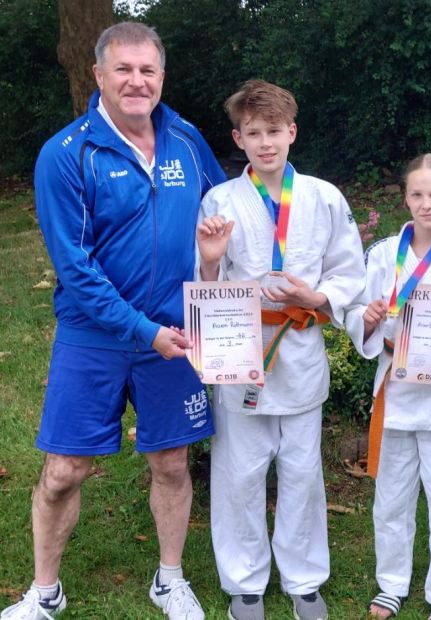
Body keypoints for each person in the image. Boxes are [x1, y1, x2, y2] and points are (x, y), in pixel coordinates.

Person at [1, 22, 227, 620]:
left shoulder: (186, 139)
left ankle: (170, 579)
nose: (136, 81)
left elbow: (230, 209)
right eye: (122, 69)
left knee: (172, 462)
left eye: (147, 70)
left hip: (174, 335)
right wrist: (142, 330)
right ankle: (44, 591)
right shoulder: (67, 153)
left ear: (161, 77)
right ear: (98, 75)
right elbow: (76, 269)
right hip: (95, 337)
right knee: (64, 470)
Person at [196, 79, 366, 620]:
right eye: (253, 133)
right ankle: (245, 583)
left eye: (274, 131)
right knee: (240, 473)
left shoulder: (323, 197)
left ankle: (304, 578)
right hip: (241, 352)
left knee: (301, 471)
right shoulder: (220, 199)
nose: (265, 142)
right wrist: (209, 258)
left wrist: (315, 296)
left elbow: (349, 271)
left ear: (291, 132)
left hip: (299, 345)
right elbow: (205, 286)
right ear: (237, 138)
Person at [344, 154, 431, 620]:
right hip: (396, 392)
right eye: (418, 194)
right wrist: (363, 320)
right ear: (405, 197)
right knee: (391, 500)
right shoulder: (383, 254)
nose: (427, 204)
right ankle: (392, 583)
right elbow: (358, 309)